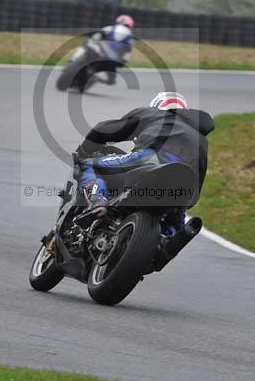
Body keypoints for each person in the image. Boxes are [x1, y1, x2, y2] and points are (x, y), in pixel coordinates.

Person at [75, 91, 214, 235]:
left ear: (158, 106)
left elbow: (104, 129)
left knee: (88, 164)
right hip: (184, 185)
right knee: (174, 226)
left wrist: (85, 149)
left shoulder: (155, 114)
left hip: (151, 159)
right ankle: (165, 244)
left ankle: (98, 201)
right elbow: (198, 182)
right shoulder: (202, 139)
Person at [89, 14, 135, 85]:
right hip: (113, 59)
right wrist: (124, 62)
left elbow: (97, 36)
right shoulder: (130, 35)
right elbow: (128, 52)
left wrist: (92, 42)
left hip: (102, 53)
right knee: (111, 81)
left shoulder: (110, 28)